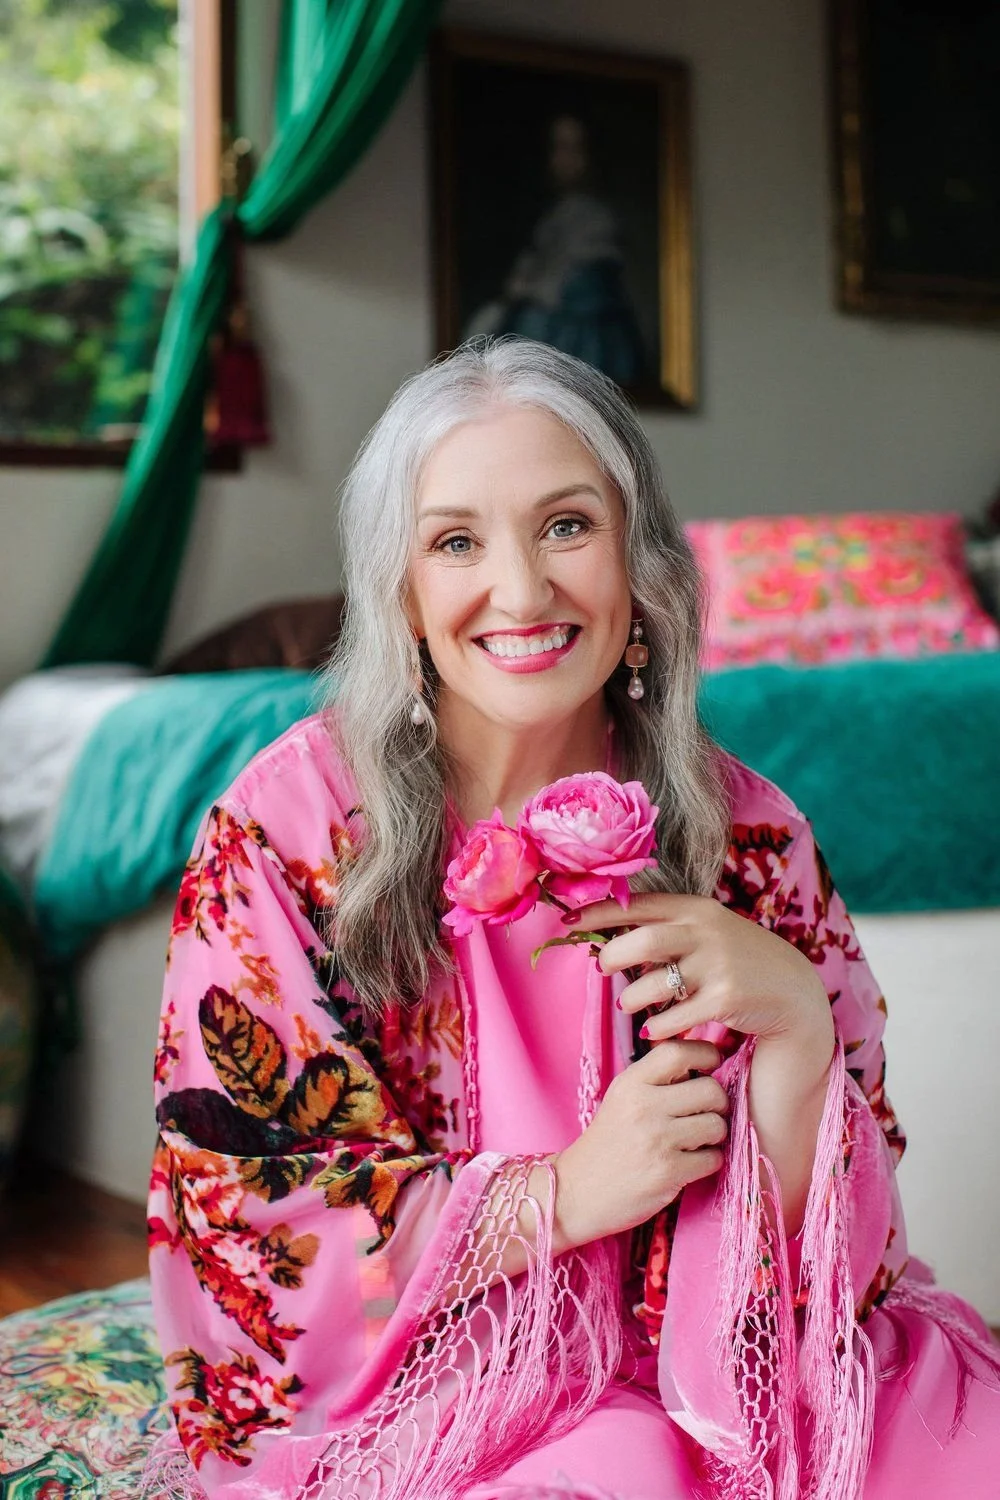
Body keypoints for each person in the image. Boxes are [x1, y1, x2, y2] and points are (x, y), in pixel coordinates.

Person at [143, 339, 1000, 1500]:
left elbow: (847, 1279)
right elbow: (249, 1227)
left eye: (565, 526)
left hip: (732, 1374)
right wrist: (565, 1195)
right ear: (401, 590)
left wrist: (797, 1025)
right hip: (443, 1386)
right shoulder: (282, 835)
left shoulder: (749, 833)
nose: (521, 592)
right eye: (456, 542)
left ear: (640, 564)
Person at [463, 116, 648, 387]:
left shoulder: (596, 221)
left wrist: (528, 293)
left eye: (575, 148)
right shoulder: (551, 217)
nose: (565, 159)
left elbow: (577, 294)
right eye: (559, 148)